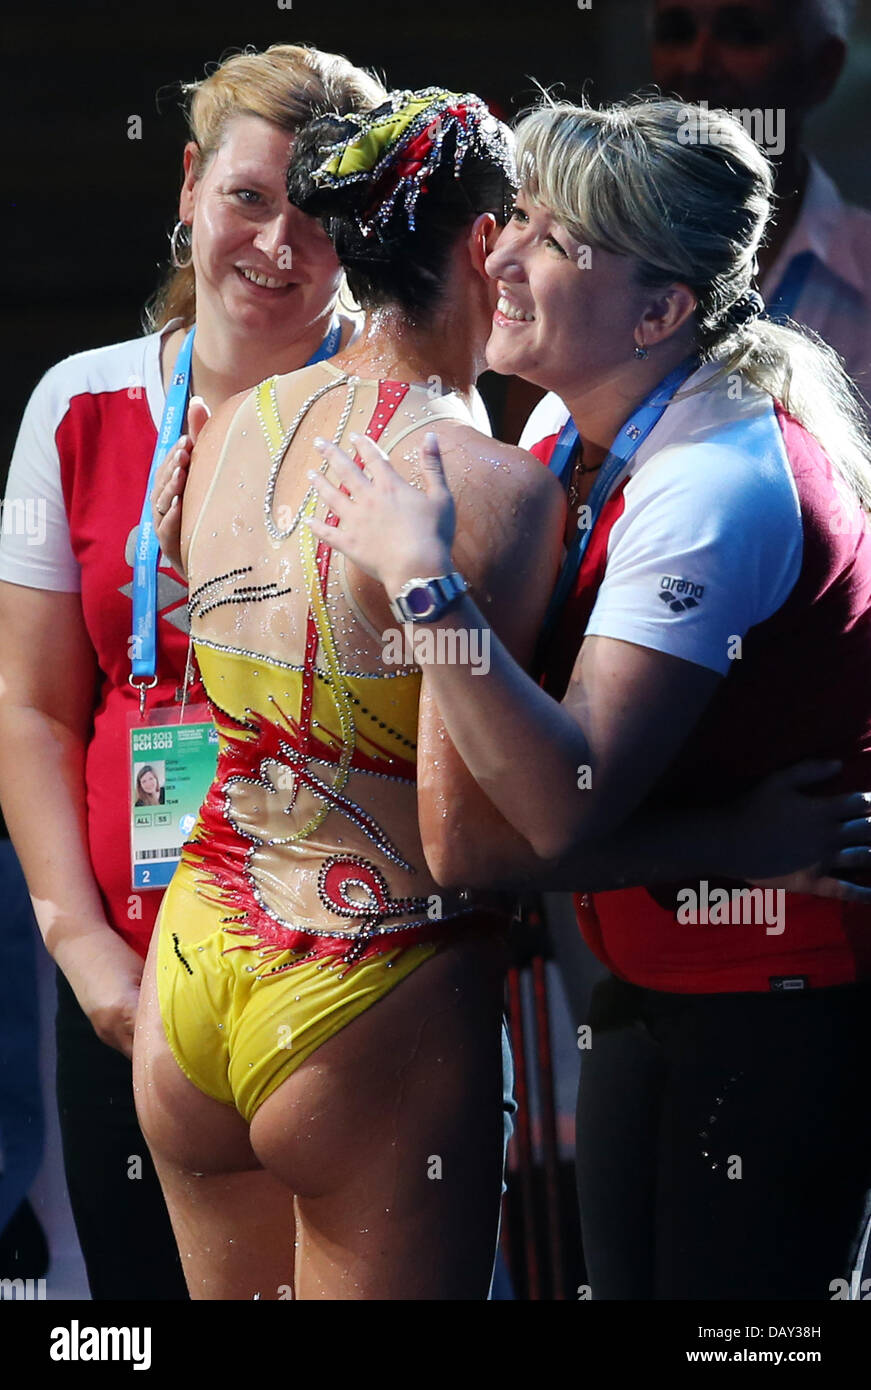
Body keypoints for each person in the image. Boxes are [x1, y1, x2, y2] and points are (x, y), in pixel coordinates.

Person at [311, 95, 871, 1300]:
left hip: (780, 983)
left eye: (557, 241)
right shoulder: (575, 413)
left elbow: (554, 813)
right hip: (653, 966)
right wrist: (725, 839)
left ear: (662, 310)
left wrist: (427, 592)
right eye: (515, 215)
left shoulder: (714, 485)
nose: (500, 254)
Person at [0, 42, 386, 1301]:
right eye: (251, 197)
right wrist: (86, 956)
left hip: (341, 982)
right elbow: (34, 707)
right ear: (187, 186)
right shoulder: (82, 402)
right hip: (124, 974)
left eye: (325, 215)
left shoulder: (402, 415)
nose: (280, 245)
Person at [522, 0, 871, 461]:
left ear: (823, 67)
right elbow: (532, 484)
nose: (698, 64)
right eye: (676, 32)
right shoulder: (571, 256)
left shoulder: (862, 268)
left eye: (742, 33)